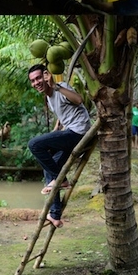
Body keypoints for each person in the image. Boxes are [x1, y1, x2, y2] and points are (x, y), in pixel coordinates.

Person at [27, 64, 91, 229]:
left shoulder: (60, 88)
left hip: (78, 133)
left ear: (46, 75)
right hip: (69, 133)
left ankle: (60, 180)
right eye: (33, 81)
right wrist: (56, 130)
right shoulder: (49, 97)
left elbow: (78, 100)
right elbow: (64, 114)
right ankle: (55, 214)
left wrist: (55, 86)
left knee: (34, 144)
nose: (36, 83)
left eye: (39, 78)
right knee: (48, 166)